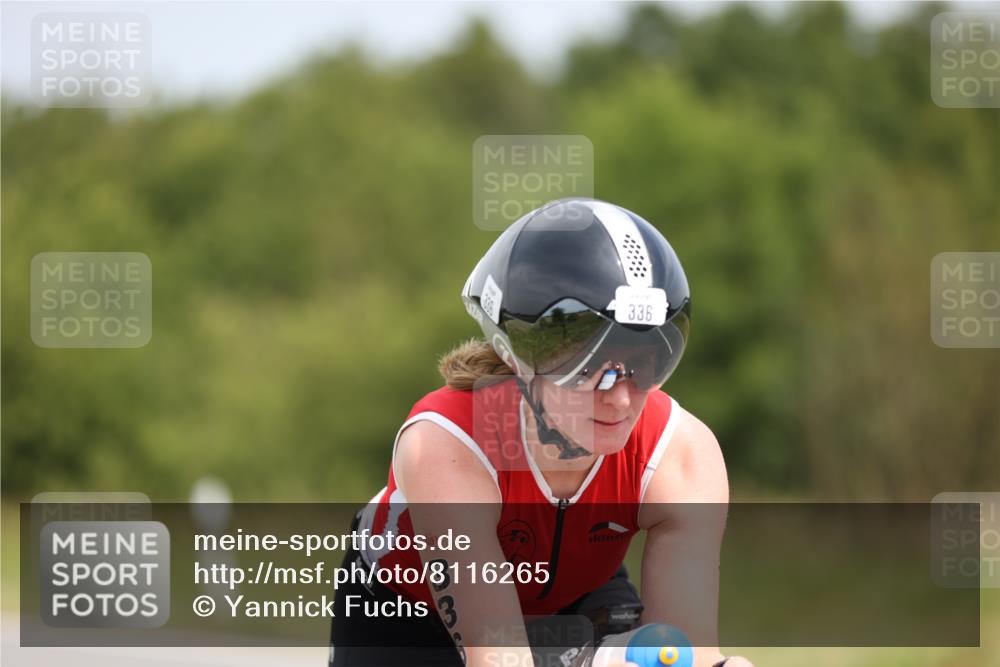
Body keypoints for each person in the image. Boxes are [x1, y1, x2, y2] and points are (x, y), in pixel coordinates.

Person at [329, 198, 754, 667]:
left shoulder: (680, 453)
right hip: (408, 614)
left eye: (645, 364)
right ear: (517, 359)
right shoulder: (447, 444)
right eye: (592, 368)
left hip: (579, 597)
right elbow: (498, 658)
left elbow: (691, 648)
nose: (621, 398)